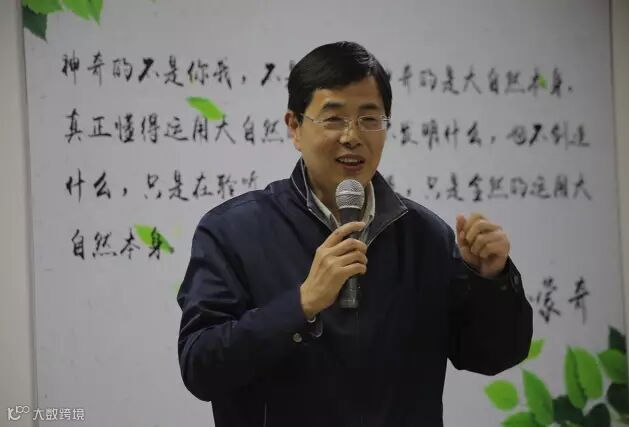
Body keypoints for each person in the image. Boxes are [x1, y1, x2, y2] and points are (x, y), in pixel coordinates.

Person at [177, 41, 533, 427]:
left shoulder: (426, 235)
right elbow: (200, 366)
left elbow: (491, 356)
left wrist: (490, 281)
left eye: (369, 119)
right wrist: (301, 305)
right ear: (295, 127)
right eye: (333, 119)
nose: (352, 136)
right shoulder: (232, 231)